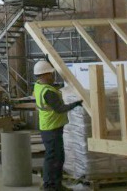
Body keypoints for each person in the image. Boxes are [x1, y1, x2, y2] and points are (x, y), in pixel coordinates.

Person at [34, 60, 83, 191]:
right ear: (43, 75)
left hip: (49, 127)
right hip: (52, 128)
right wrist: (76, 104)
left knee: (55, 157)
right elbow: (60, 108)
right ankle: (50, 186)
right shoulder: (48, 92)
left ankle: (54, 184)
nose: (52, 76)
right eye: (50, 74)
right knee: (54, 158)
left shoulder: (39, 86)